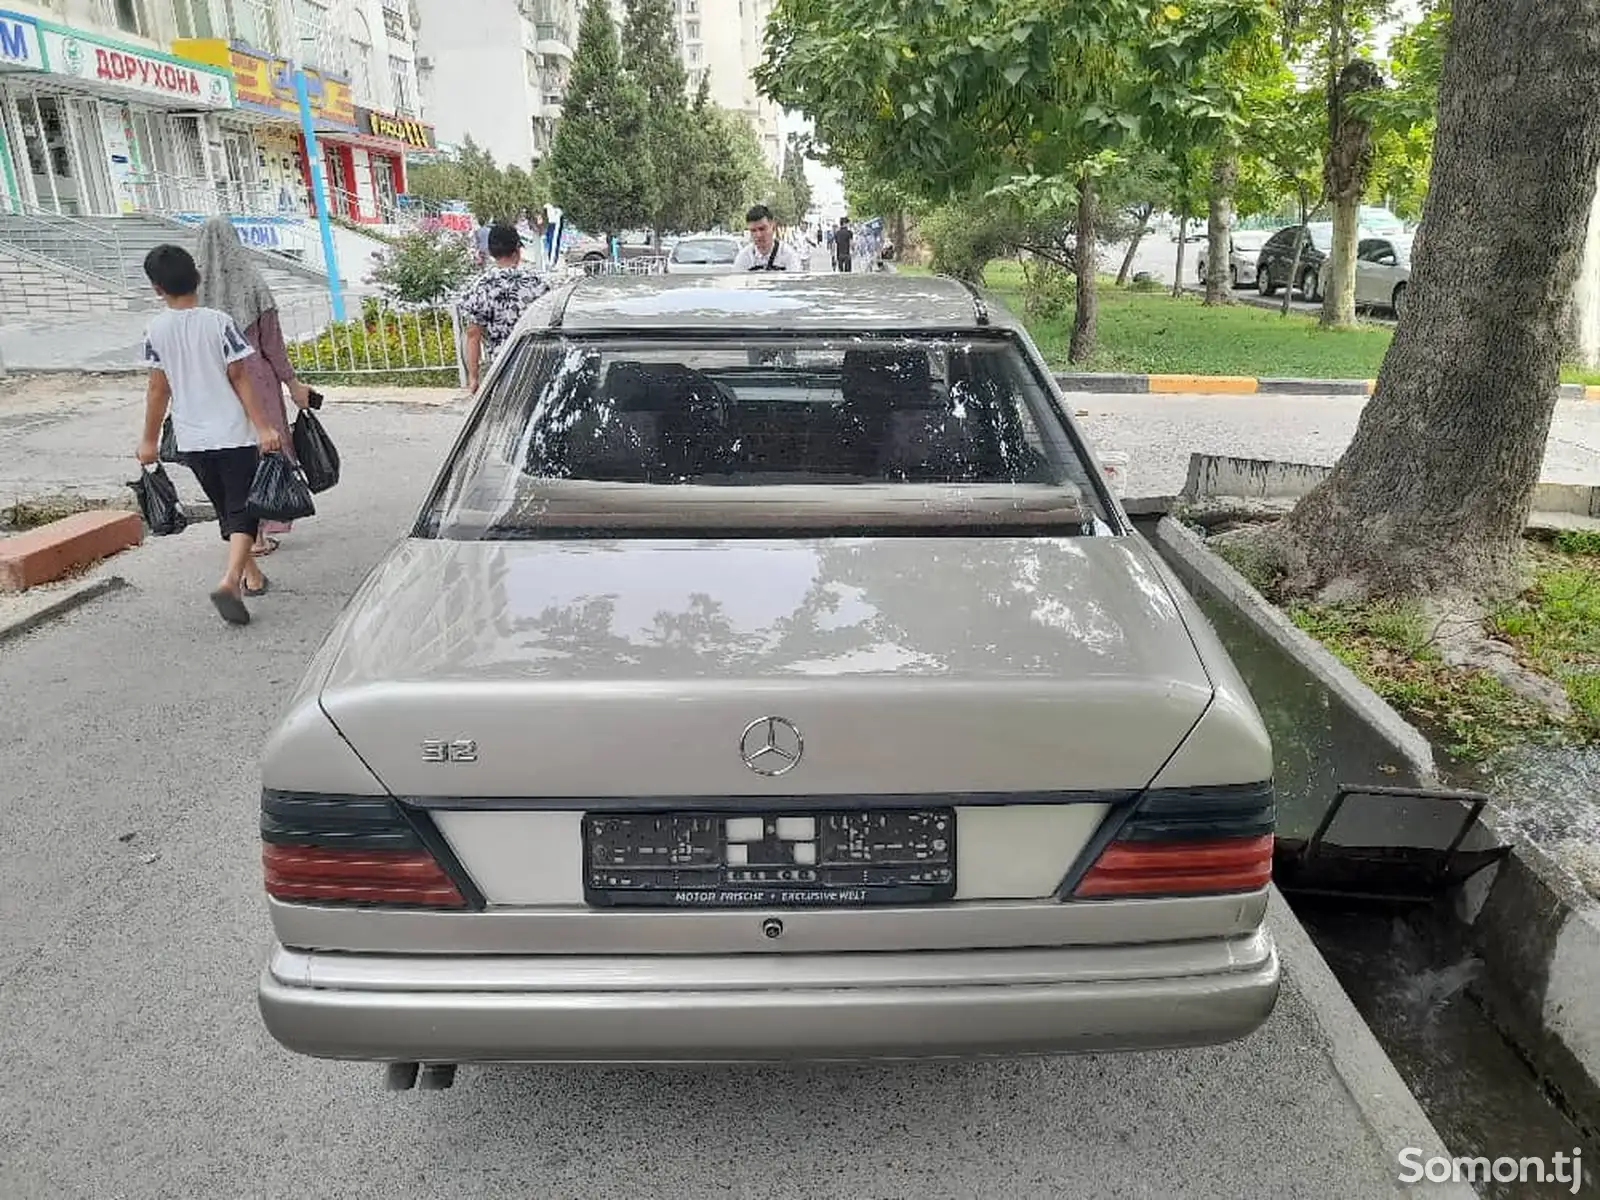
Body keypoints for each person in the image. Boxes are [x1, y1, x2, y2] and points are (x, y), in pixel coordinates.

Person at [136, 244, 281, 627]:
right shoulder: (218, 322)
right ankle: (231, 581)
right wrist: (265, 426)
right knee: (243, 510)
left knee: (225, 507)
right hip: (232, 432)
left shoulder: (155, 330)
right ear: (198, 278)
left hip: (192, 437)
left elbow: (157, 389)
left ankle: (252, 575)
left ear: (156, 288)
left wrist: (148, 440)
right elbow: (240, 378)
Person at [195, 216, 313, 557]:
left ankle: (244, 531)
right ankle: (261, 530)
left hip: (215, 385)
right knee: (266, 449)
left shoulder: (194, 294)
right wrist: (291, 382)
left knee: (233, 456)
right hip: (257, 381)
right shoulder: (254, 284)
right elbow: (273, 345)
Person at [458, 222, 550, 393]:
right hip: (535, 367)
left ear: (491, 251)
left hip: (501, 370)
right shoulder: (537, 284)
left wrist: (473, 377)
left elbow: (473, 334)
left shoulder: (481, 286)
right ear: (518, 249)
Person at [733, 204, 801, 271]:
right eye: (753, 230)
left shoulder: (789, 255)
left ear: (773, 226)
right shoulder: (743, 258)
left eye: (762, 229)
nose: (758, 235)